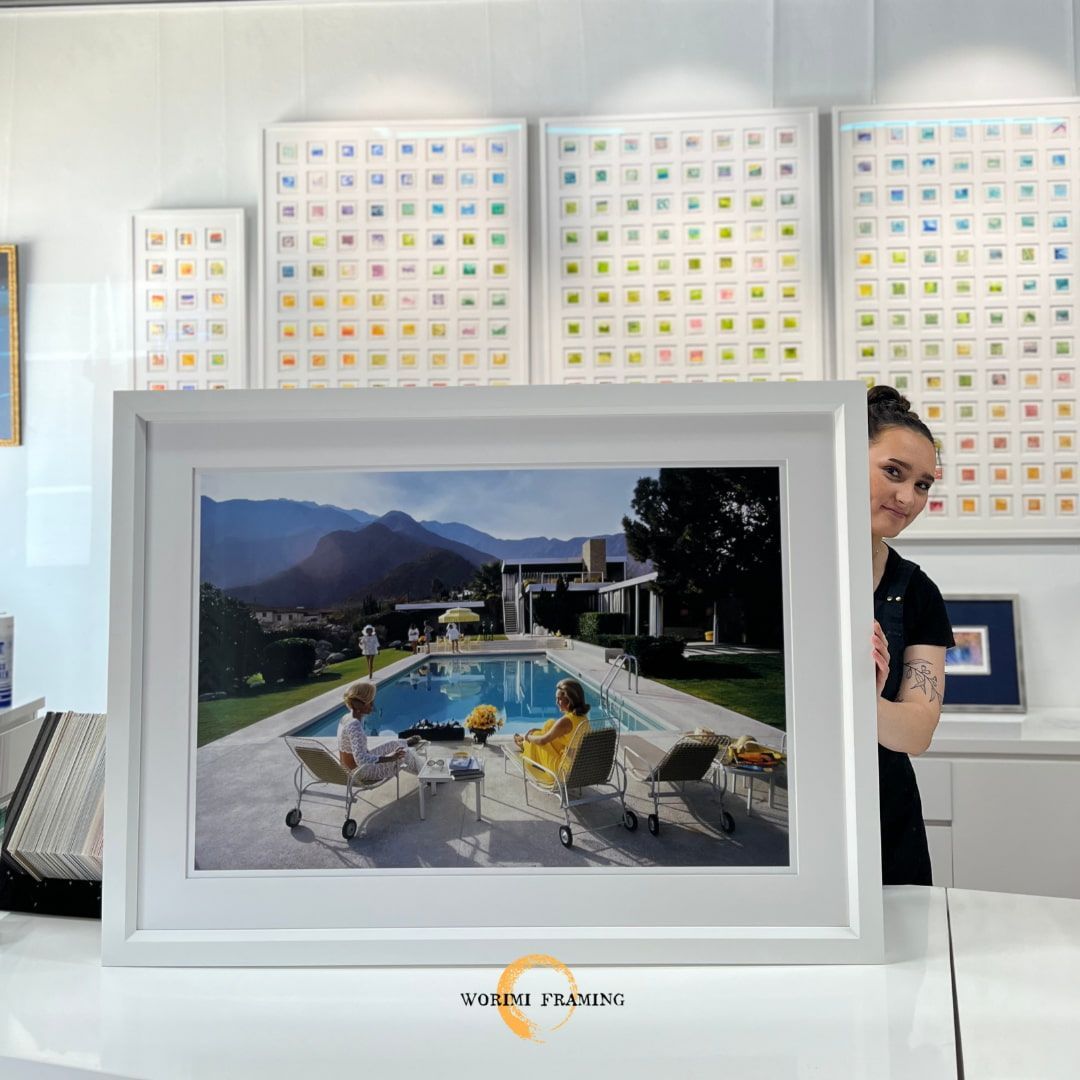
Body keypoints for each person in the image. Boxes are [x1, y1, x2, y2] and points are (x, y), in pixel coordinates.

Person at [866, 386, 955, 886]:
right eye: (893, 472)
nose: (908, 498)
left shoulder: (918, 591)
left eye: (923, 485)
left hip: (887, 819)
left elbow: (917, 732)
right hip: (791, 813)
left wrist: (865, 698)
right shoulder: (781, 574)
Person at [338, 681, 423, 780]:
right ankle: (427, 776)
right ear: (360, 704)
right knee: (404, 755)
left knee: (395, 744)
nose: (373, 707)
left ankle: (404, 742)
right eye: (370, 702)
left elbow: (358, 753)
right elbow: (361, 759)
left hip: (352, 768)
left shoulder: (346, 718)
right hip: (361, 773)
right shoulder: (354, 725)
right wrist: (391, 757)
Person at [513, 678, 591, 783]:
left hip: (563, 771)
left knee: (537, 737)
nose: (556, 702)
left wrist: (528, 737)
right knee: (550, 724)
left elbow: (542, 741)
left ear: (569, 699)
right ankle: (525, 743)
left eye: (559, 699)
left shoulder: (566, 721)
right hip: (579, 768)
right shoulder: (583, 718)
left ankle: (524, 743)